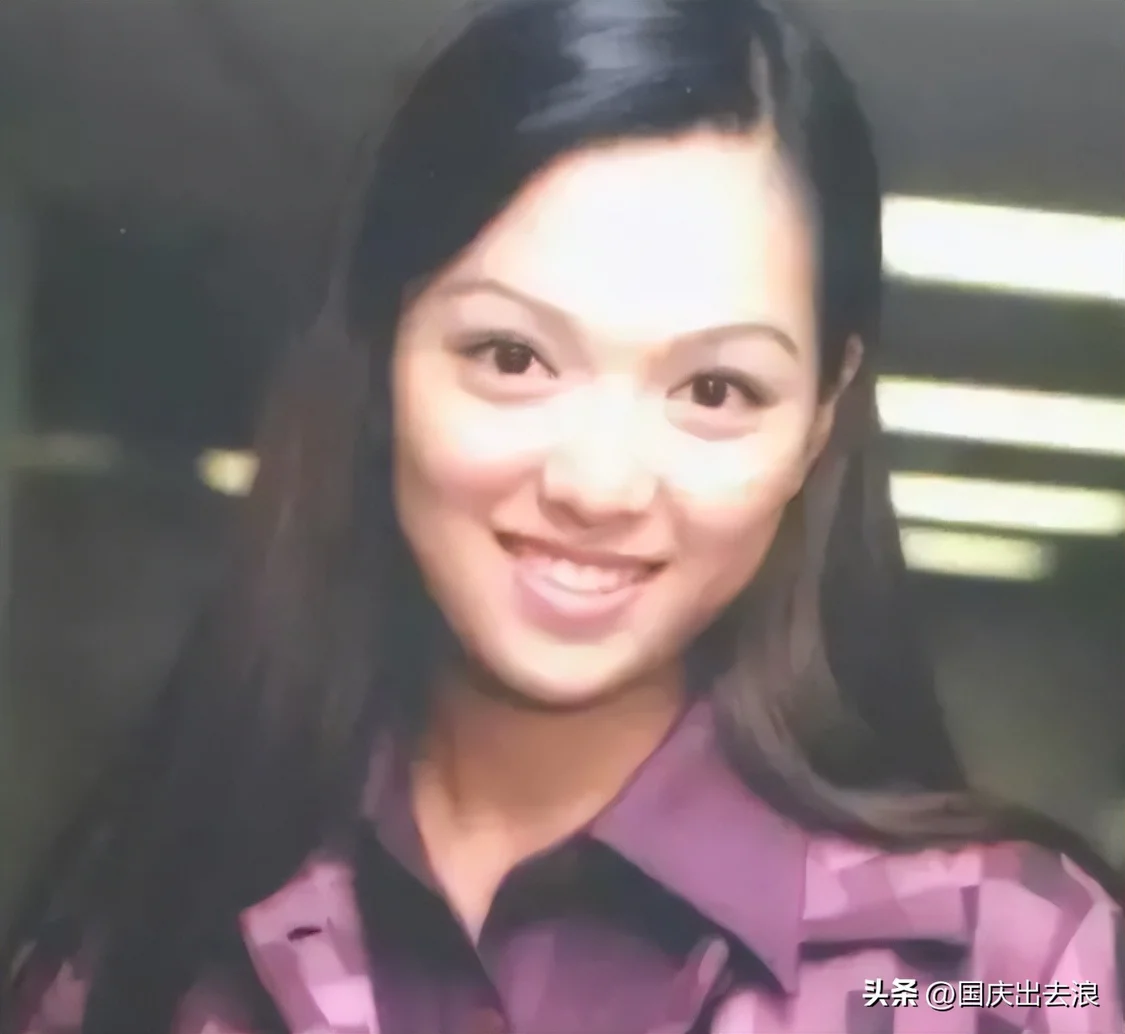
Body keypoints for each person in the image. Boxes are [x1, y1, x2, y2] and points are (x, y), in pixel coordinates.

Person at [3, 0, 1121, 1031]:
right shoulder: (139, 943)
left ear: (820, 419)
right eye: (512, 356)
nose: (597, 483)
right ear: (383, 357)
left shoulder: (1006, 963)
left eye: (716, 389)